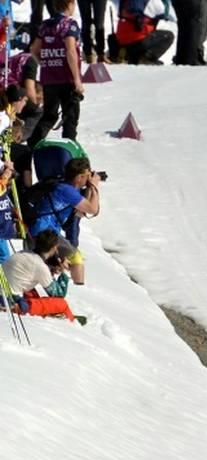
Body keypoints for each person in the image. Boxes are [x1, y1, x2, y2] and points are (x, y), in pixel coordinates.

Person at [27, 155, 98, 285]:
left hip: (38, 230)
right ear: (79, 177)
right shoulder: (67, 191)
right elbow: (92, 209)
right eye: (87, 175)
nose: (89, 178)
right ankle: (79, 288)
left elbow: (81, 212)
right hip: (44, 232)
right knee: (75, 257)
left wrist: (89, 188)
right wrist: (94, 186)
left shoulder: (62, 186)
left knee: (45, 267)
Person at [27, 0, 84, 144]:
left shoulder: (45, 25)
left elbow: (34, 49)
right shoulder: (69, 24)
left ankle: (32, 146)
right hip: (66, 79)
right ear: (70, 4)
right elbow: (70, 50)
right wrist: (77, 79)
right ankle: (69, 152)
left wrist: (45, 63)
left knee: (49, 117)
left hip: (49, 79)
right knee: (70, 118)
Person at [1, 228, 77, 321]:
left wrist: (50, 272)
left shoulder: (23, 253)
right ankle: (71, 320)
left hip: (4, 292)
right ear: (54, 248)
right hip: (10, 302)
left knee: (31, 291)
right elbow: (58, 295)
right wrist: (63, 272)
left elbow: (33, 272)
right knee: (62, 304)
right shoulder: (40, 266)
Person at [108, 0, 176, 64]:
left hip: (120, 38)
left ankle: (126, 53)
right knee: (169, 36)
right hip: (137, 39)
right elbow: (163, 14)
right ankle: (145, 59)